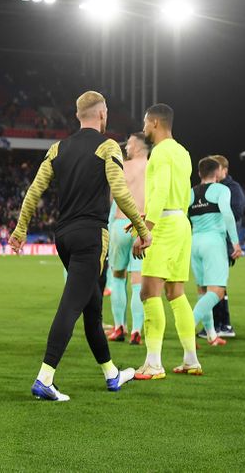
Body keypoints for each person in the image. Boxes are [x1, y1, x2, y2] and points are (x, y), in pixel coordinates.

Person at [10, 91, 150, 401]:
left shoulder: (58, 148)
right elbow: (121, 191)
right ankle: (45, 377)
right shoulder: (107, 145)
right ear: (102, 114)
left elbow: (34, 192)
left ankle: (111, 373)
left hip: (64, 236)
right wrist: (142, 229)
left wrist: (21, 228)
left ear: (77, 116)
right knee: (72, 305)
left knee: (92, 308)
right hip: (91, 237)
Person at [133, 103, 203, 380]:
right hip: (181, 222)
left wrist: (147, 228)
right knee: (176, 293)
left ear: (155, 123)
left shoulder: (160, 152)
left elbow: (161, 189)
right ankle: (191, 359)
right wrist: (147, 215)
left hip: (163, 226)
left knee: (148, 292)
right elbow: (179, 193)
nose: (143, 128)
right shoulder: (183, 152)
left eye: (145, 123)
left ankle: (153, 364)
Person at [188, 157, 242, 347]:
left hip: (194, 242)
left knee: (203, 290)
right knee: (217, 292)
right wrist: (235, 243)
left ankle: (211, 335)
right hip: (214, 242)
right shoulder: (221, 190)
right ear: (218, 172)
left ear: (199, 173)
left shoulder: (190, 193)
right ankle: (188, 328)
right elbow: (227, 214)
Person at [105, 132, 149, 345]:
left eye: (130, 143)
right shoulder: (154, 168)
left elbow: (113, 196)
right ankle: (137, 330)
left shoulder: (123, 166)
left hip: (121, 224)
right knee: (138, 280)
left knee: (117, 276)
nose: (127, 147)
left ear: (140, 146)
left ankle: (119, 327)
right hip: (142, 225)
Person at [208, 154, 245, 338]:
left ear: (224, 170)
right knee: (213, 283)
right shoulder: (212, 187)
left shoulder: (233, 189)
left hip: (224, 243)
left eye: (216, 169)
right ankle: (218, 324)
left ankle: (224, 324)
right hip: (212, 241)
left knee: (217, 283)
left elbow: (237, 212)